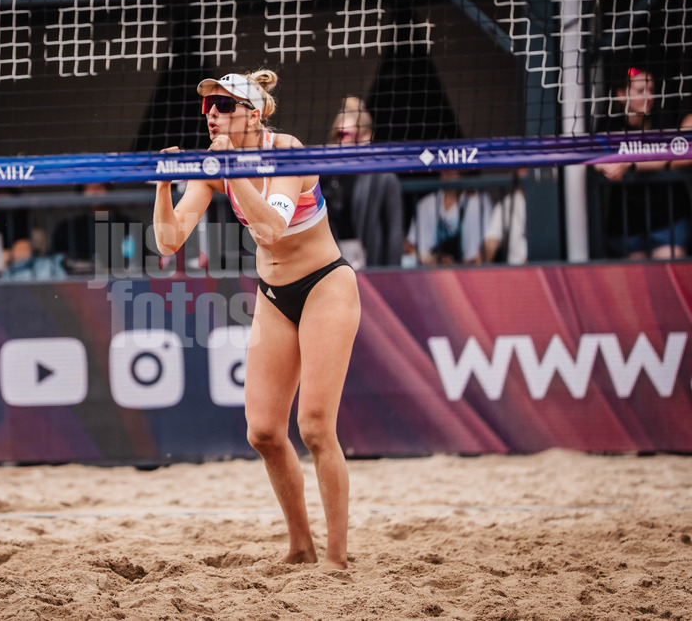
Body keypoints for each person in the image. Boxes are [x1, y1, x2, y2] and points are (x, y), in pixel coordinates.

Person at [153, 70, 361, 570]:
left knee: (314, 427)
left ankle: (335, 557)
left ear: (254, 112)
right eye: (208, 107)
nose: (211, 115)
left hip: (326, 285)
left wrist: (229, 167)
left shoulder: (289, 150)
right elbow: (168, 240)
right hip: (274, 294)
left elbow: (270, 227)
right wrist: (163, 186)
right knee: (264, 432)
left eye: (223, 106)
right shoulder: (214, 164)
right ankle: (300, 546)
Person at [595, 66, 692, 259]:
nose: (648, 96)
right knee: (637, 282)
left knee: (668, 276)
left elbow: (680, 154)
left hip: (668, 219)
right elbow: (595, 158)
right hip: (626, 223)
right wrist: (607, 164)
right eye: (640, 91)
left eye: (651, 91)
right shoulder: (610, 125)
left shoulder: (664, 120)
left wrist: (629, 163)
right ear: (622, 95)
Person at [321, 96, 403, 267]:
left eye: (348, 135)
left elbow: (394, 230)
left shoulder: (383, 176)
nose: (342, 140)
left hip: (370, 258)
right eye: (339, 134)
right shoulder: (326, 174)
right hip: (333, 256)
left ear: (366, 135)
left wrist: (393, 272)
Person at [403, 170, 492, 265]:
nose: (448, 170)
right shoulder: (425, 204)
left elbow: (484, 254)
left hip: (468, 274)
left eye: (455, 166)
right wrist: (435, 261)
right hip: (427, 274)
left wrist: (453, 264)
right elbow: (410, 249)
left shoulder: (480, 202)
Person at [482, 171, 528, 264]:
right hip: (518, 272)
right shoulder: (505, 205)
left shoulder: (548, 200)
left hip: (544, 269)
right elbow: (490, 246)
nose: (526, 171)